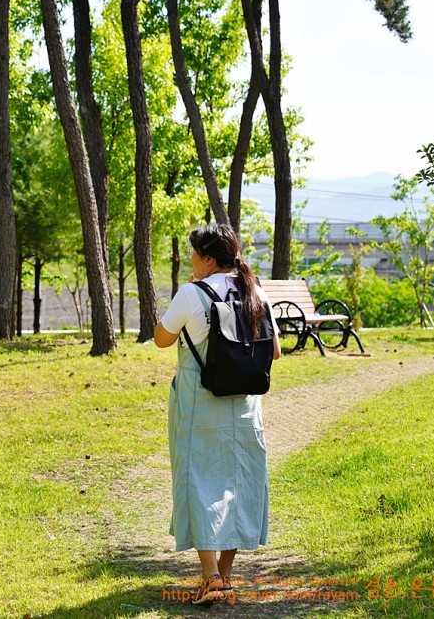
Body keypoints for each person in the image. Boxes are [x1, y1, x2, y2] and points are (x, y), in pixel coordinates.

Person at [154, 223, 282, 606]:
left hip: (199, 402)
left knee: (198, 480)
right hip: (244, 405)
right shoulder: (254, 291)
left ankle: (211, 576)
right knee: (240, 483)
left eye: (195, 254)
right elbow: (274, 352)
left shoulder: (192, 293)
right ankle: (224, 577)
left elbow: (162, 339)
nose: (191, 260)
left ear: (208, 259)